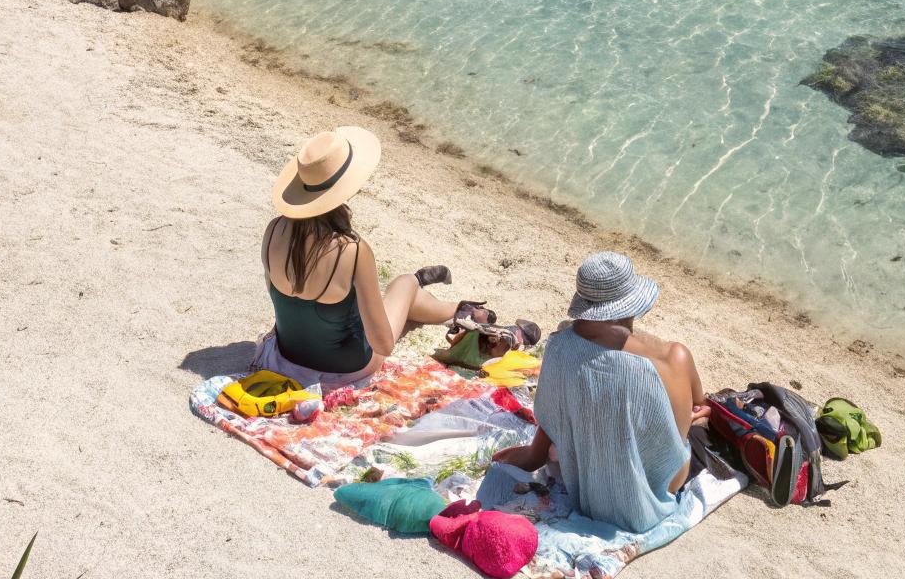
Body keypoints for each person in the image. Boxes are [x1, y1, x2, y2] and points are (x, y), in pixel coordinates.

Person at [256, 126, 493, 387]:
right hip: (347, 368)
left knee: (393, 301)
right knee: (403, 285)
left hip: (285, 357)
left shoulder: (273, 231)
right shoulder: (352, 250)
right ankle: (444, 299)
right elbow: (383, 344)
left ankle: (458, 310)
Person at [493, 252, 707, 533]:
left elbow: (540, 449)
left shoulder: (559, 349)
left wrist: (507, 458)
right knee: (702, 424)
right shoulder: (673, 357)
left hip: (588, 494)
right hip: (658, 493)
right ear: (629, 304)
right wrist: (690, 418)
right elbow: (698, 406)